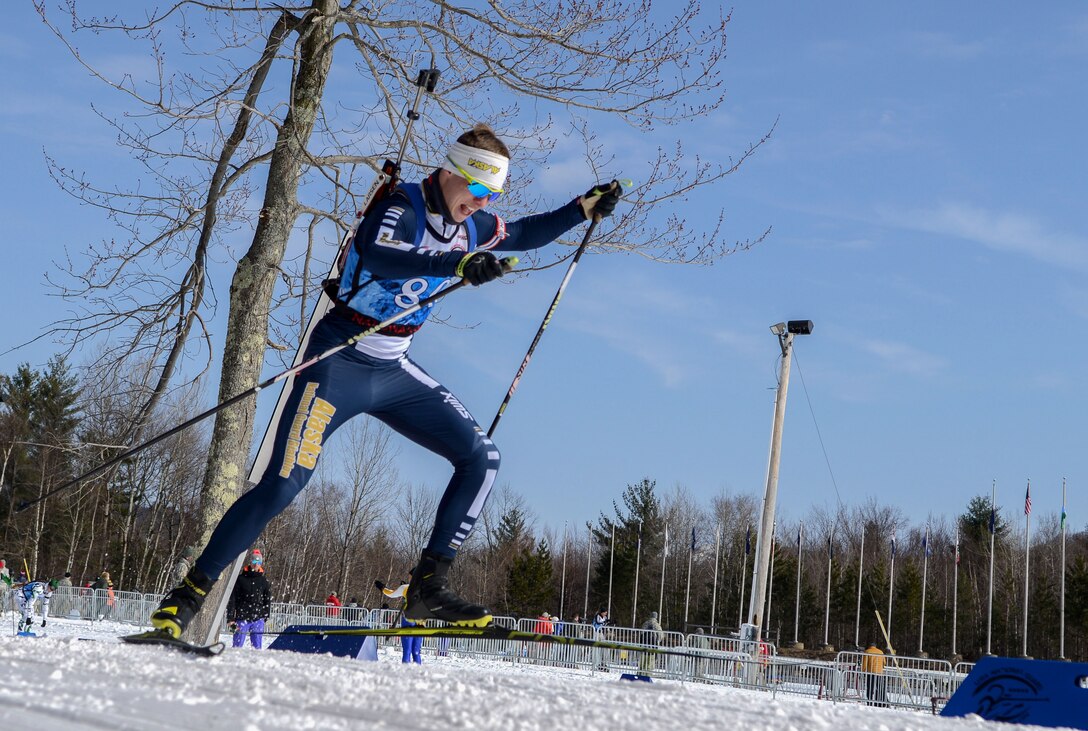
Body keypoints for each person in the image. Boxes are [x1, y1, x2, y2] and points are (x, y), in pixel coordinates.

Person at [149, 123, 622, 639]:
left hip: (394, 368)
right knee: (283, 485)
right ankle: (185, 599)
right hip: (338, 360)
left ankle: (427, 591)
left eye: (491, 195)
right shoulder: (403, 205)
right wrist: (457, 262)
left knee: (481, 457)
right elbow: (379, 251)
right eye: (477, 189)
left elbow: (527, 233)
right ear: (450, 172)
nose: (481, 201)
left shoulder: (473, 226)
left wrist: (581, 209)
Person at [226, 550, 272, 649]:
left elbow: (267, 600)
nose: (256, 564)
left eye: (259, 562)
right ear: (250, 562)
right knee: (237, 646)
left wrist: (265, 616)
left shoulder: (263, 581)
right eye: (254, 562)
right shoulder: (241, 579)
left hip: (258, 619)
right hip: (241, 618)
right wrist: (230, 618)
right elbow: (233, 599)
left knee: (257, 648)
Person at [375, 579, 422, 664]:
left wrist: (382, 587)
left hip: (408, 619)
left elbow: (391, 594)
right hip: (420, 620)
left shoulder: (406, 587)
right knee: (416, 652)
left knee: (407, 651)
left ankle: (405, 672)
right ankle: (418, 675)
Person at [861, 642, 887, 707]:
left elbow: (864, 663)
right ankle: (882, 702)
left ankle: (869, 701)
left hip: (871, 672)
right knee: (880, 688)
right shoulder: (881, 652)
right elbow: (884, 662)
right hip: (880, 673)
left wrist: (863, 671)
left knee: (870, 688)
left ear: (869, 646)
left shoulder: (867, 652)